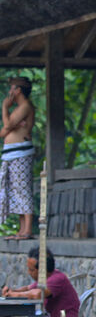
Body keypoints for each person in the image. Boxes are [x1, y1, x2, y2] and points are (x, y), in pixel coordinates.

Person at [2, 248, 79, 317]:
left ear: (42, 270)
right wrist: (11, 291)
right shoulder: (47, 277)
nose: (29, 272)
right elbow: (29, 288)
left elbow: (38, 294)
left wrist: (14, 295)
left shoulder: (57, 279)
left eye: (31, 270)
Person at [0, 77, 35, 240]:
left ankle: (27, 229)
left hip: (21, 153)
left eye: (12, 88)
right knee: (15, 191)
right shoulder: (18, 108)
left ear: (18, 90)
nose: (10, 92)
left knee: (22, 189)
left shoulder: (25, 106)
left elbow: (7, 126)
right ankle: (22, 230)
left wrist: (4, 107)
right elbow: (4, 131)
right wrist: (8, 126)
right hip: (12, 153)